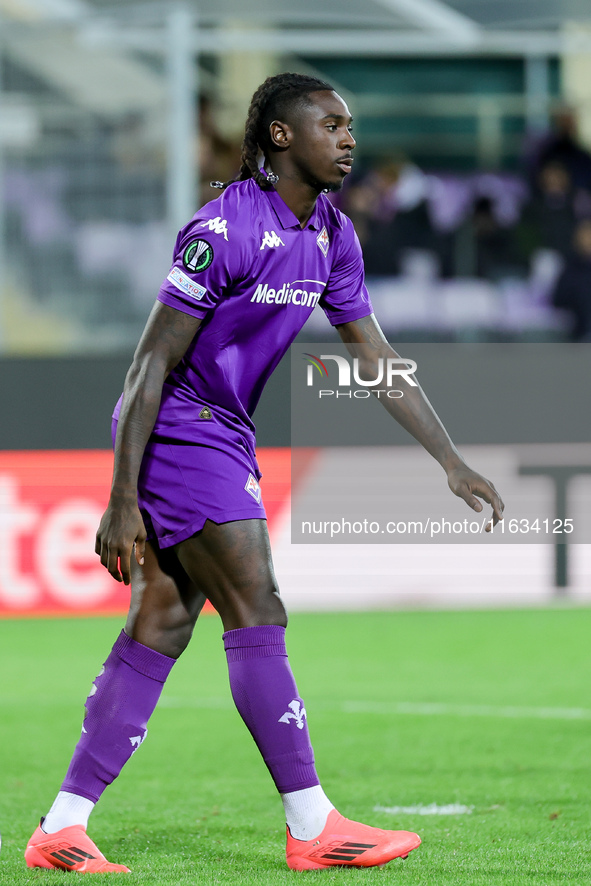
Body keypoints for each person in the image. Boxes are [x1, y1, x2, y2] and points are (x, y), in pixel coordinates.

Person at [25, 72, 504, 874]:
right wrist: (119, 498)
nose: (348, 138)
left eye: (350, 126)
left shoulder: (332, 234)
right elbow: (150, 364)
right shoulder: (222, 229)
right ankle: (312, 823)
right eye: (332, 125)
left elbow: (376, 360)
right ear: (282, 137)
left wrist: (449, 460)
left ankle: (60, 827)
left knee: (163, 625)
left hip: (222, 433)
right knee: (258, 602)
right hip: (180, 427)